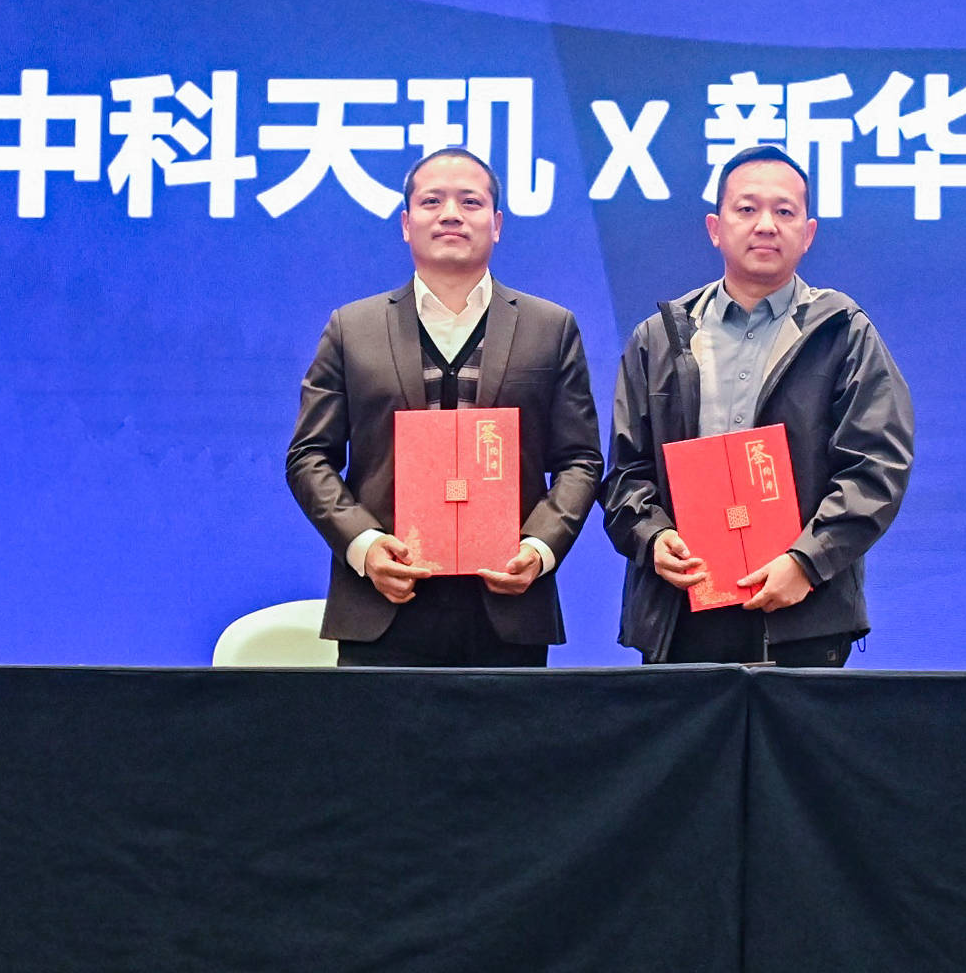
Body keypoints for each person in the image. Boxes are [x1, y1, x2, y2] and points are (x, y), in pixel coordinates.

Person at [283, 147, 599, 665]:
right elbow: (309, 456)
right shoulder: (352, 328)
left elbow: (580, 460)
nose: (451, 214)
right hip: (383, 603)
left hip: (507, 607)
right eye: (432, 201)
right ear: (406, 224)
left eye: (470, 202)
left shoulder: (550, 328)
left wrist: (539, 548)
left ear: (497, 224)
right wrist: (364, 544)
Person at [603, 146, 915, 666]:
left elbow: (876, 468)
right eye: (747, 209)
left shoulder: (843, 332)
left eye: (784, 211)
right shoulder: (658, 338)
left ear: (808, 233)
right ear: (715, 228)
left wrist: (807, 562)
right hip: (682, 611)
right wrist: (652, 538)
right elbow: (624, 473)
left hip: (804, 615)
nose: (766, 225)